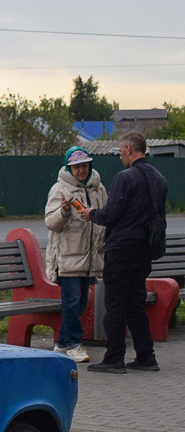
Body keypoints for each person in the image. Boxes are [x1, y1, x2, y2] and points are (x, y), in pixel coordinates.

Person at [82, 132, 169, 373]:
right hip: (145, 249)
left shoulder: (125, 177)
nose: (120, 156)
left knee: (116, 303)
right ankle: (146, 356)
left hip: (121, 248)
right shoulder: (159, 178)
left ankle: (114, 357)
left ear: (129, 149)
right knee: (136, 303)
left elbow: (111, 214)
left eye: (121, 151)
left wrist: (91, 213)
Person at [43, 146, 107, 363]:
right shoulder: (59, 189)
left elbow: (106, 216)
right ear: (69, 168)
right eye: (77, 167)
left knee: (81, 303)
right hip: (68, 257)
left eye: (84, 166)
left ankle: (61, 342)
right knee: (71, 302)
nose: (81, 170)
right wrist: (64, 211)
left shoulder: (99, 189)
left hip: (89, 258)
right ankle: (74, 344)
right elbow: (51, 223)